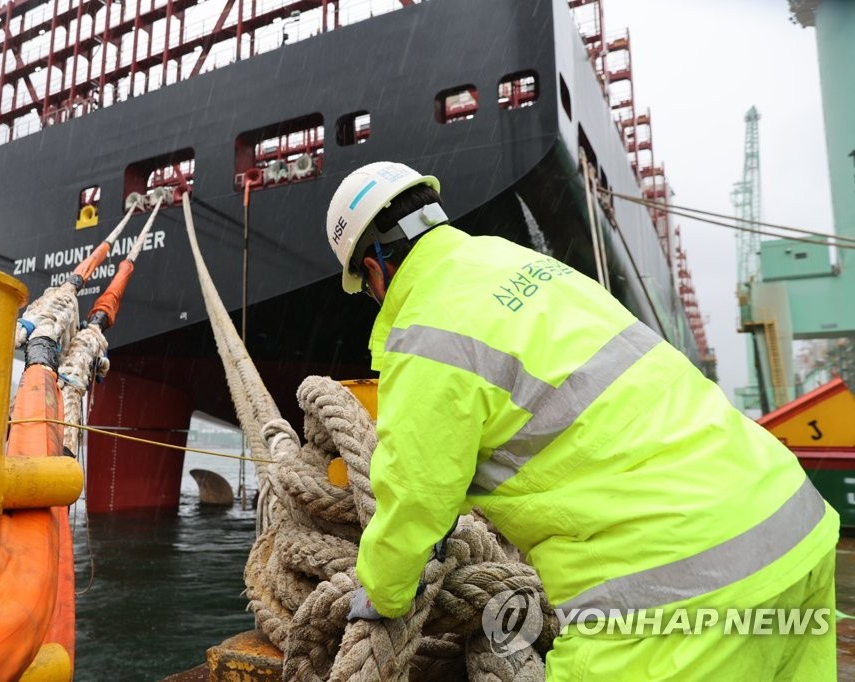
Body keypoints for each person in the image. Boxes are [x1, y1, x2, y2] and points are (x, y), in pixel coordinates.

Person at [325, 161, 839, 679]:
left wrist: (384, 593)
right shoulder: (519, 264)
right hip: (794, 530)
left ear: (373, 268)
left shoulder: (425, 334)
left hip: (676, 592)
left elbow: (415, 496)